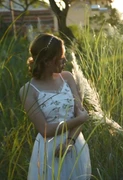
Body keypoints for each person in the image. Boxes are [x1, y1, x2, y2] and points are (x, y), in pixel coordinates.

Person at [19, 33, 91, 179]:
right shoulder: (28, 90)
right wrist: (80, 119)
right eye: (60, 57)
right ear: (46, 61)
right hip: (50, 150)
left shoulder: (67, 77)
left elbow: (79, 112)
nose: (65, 59)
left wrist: (70, 143)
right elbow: (45, 130)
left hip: (75, 143)